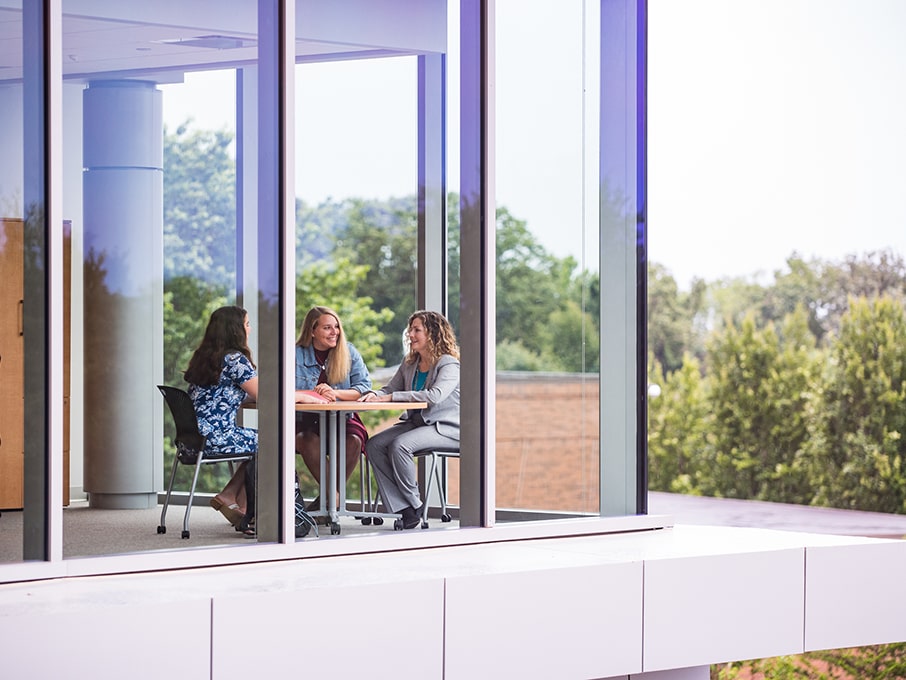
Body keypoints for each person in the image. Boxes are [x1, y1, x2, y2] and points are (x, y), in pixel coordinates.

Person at [359, 310, 460, 529]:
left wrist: (391, 397)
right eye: (410, 330)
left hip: (446, 429)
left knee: (400, 445)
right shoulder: (410, 363)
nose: (411, 335)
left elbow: (435, 396)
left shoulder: (449, 365)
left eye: (417, 330)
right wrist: (375, 395)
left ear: (433, 333)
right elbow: (389, 388)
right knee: (374, 445)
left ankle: (415, 505)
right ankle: (405, 509)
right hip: (418, 425)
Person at [184, 306, 259, 536]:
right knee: (273, 442)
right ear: (236, 329)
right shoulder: (235, 359)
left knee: (259, 442)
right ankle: (233, 498)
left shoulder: (205, 357)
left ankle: (242, 506)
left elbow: (221, 394)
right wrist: (303, 394)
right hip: (214, 437)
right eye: (247, 324)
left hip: (192, 438)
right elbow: (268, 393)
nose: (250, 329)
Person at [295, 305, 373, 509]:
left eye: (336, 327)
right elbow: (286, 390)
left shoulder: (349, 352)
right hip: (306, 419)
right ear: (312, 331)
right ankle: (333, 497)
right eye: (327, 328)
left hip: (343, 418)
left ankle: (328, 500)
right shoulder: (295, 354)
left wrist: (334, 393)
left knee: (354, 440)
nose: (335, 332)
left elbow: (363, 388)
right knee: (305, 439)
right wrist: (310, 396)